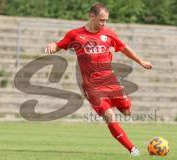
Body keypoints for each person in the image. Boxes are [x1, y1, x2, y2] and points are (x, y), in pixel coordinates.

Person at [45, 3, 153, 157]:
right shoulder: (75, 35)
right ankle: (132, 149)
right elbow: (59, 45)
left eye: (106, 20)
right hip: (92, 87)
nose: (104, 23)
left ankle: (121, 107)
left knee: (127, 111)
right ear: (92, 16)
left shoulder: (108, 34)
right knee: (109, 116)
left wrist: (141, 61)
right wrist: (52, 45)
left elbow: (123, 47)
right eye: (101, 20)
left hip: (110, 81)